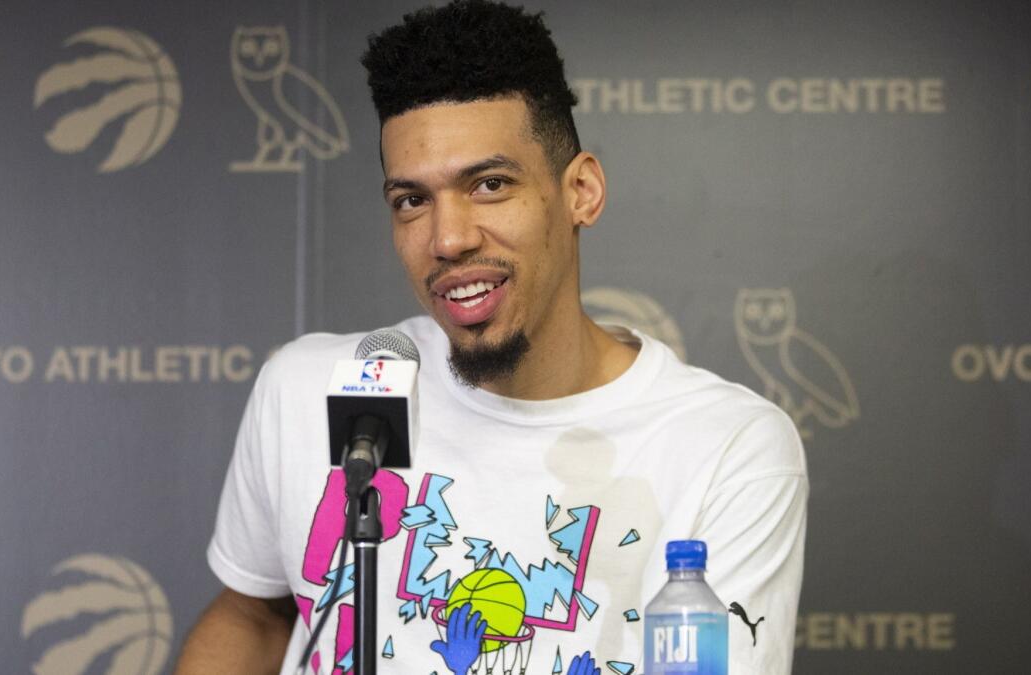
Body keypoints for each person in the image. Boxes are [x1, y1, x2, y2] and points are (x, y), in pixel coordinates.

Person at [175, 1, 807, 674]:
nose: (447, 239)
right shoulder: (310, 385)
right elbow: (252, 615)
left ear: (582, 191)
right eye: (412, 200)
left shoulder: (728, 446)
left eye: (489, 184)